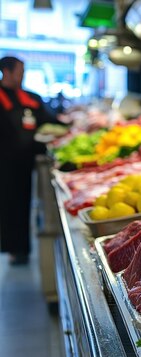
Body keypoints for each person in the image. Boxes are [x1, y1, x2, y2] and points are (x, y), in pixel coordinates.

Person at [0, 56, 62, 265]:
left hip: (27, 160)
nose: (23, 75)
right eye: (20, 71)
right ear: (6, 72)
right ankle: (13, 248)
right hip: (5, 162)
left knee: (23, 203)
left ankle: (21, 248)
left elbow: (51, 120)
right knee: (8, 204)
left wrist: (68, 123)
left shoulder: (30, 97)